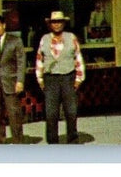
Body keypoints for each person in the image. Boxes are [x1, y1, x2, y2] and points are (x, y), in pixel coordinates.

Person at [35, 10, 85, 144]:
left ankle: (73, 141)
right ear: (50, 24)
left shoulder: (71, 37)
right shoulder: (44, 39)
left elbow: (78, 58)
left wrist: (79, 79)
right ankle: (53, 143)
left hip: (68, 77)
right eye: (54, 22)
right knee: (51, 113)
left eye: (59, 22)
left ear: (63, 23)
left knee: (71, 112)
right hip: (50, 79)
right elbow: (40, 59)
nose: (56, 25)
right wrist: (40, 79)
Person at [0, 14, 26, 144]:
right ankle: (0, 143)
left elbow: (21, 61)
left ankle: (17, 142)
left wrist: (20, 81)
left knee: (14, 115)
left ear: (4, 25)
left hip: (11, 83)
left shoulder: (15, 40)